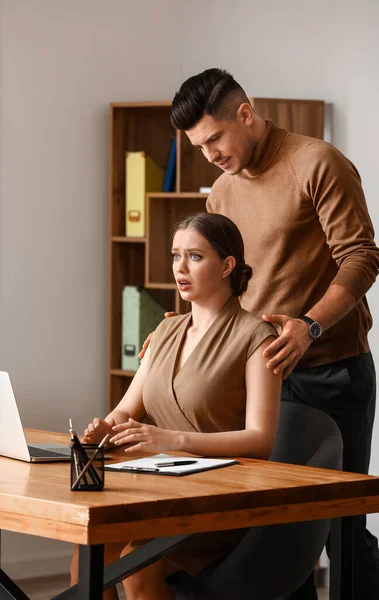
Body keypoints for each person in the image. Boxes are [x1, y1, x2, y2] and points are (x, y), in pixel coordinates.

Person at [166, 68, 379, 599]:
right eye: (198, 146)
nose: (210, 154)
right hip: (257, 378)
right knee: (275, 530)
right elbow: (221, 287)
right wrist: (175, 333)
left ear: (245, 113)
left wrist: (309, 326)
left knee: (338, 528)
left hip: (331, 369)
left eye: (214, 138)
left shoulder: (316, 162)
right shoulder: (220, 192)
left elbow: (361, 257)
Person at [71, 212, 281, 600]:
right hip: (157, 491)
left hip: (220, 501)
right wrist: (105, 429)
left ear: (227, 265)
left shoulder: (257, 336)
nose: (180, 268)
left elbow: (261, 439)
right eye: (175, 255)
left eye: (195, 257)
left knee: (137, 563)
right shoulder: (164, 330)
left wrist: (171, 439)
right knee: (88, 553)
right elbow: (126, 409)